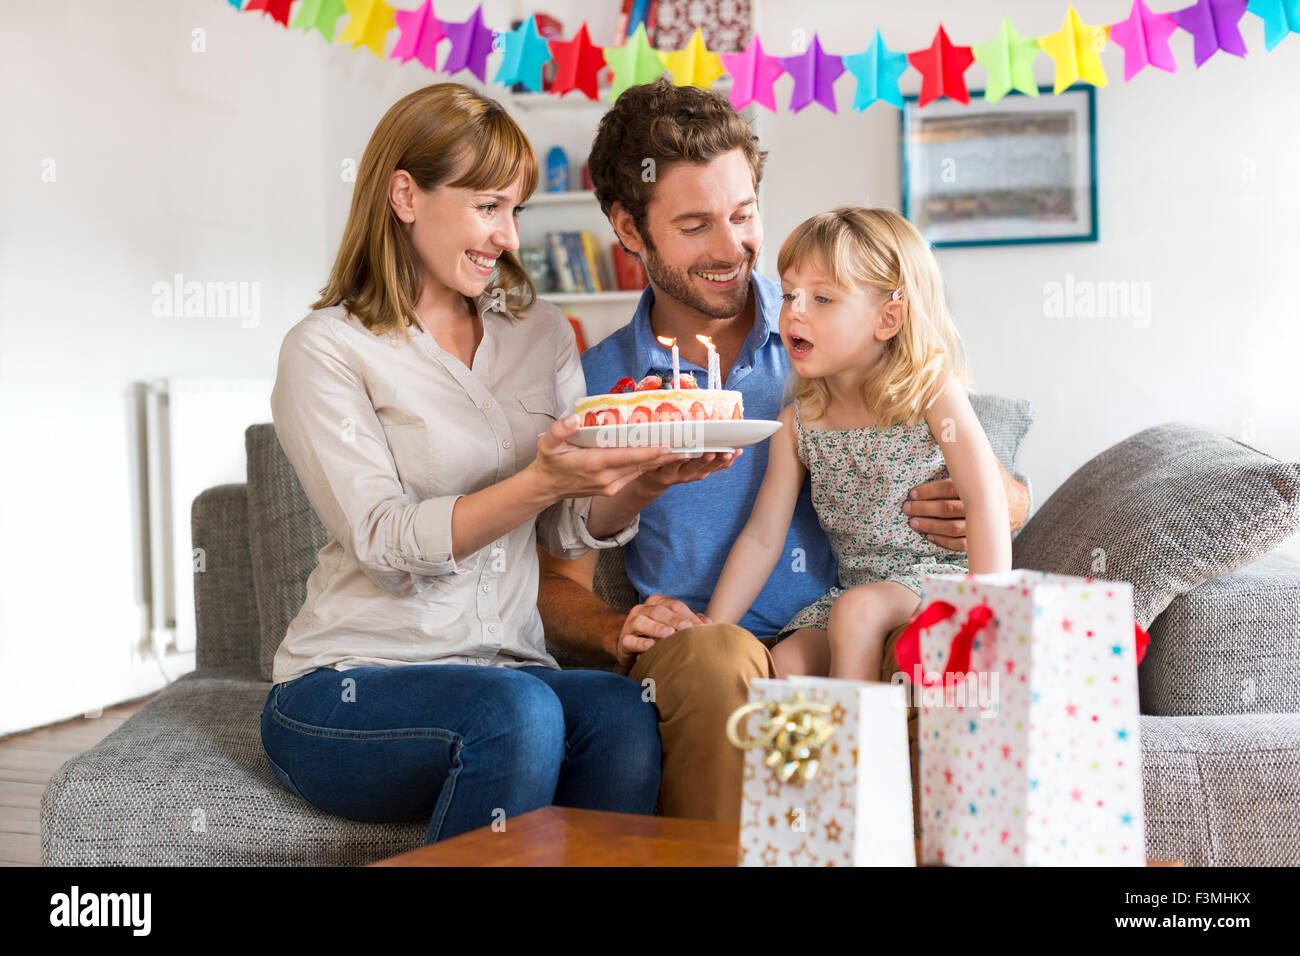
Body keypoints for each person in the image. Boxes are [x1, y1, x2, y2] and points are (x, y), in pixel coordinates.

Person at [537, 77, 1030, 824]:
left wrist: (1003, 496)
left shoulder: (836, 327)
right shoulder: (600, 385)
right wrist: (614, 629)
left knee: (892, 645)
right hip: (706, 641)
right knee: (718, 656)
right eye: (696, 223)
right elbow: (556, 575)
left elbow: (959, 456)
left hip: (851, 616)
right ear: (629, 229)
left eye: (743, 214)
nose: (732, 247)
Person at [259, 82, 735, 845]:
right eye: (488, 207)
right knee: (518, 713)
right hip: (352, 685)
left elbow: (570, 530)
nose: (509, 237)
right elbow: (382, 541)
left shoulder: (538, 334)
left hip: (507, 670)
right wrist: (539, 480)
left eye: (517, 211)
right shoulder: (326, 350)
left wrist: (637, 483)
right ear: (405, 195)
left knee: (619, 709)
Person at [707, 207, 1012, 680]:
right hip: (857, 590)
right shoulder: (798, 423)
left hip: (939, 581)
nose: (795, 312)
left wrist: (987, 607)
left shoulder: (930, 392)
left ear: (888, 318)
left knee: (857, 612)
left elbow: (984, 495)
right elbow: (763, 537)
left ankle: (861, 753)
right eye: (790, 295)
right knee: (785, 664)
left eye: (823, 298)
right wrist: (713, 627)